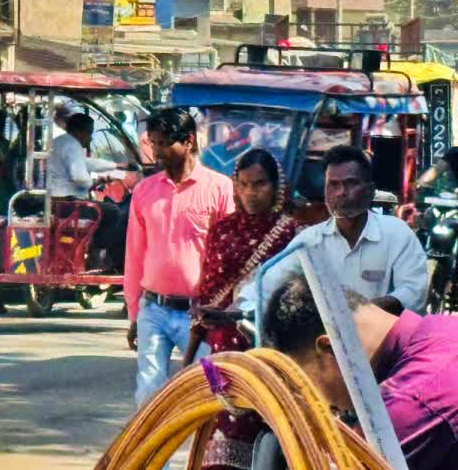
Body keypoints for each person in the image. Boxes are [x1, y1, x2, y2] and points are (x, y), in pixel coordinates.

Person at [180, 148, 301, 470]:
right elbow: (208, 298)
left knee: (273, 433)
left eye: (259, 184)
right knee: (224, 428)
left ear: (276, 186)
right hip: (223, 352)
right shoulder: (222, 230)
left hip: (272, 351)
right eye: (244, 184)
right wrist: (189, 358)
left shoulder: (292, 233)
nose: (251, 193)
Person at [265, 274, 458, 468]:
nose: (328, 406)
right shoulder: (443, 327)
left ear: (331, 348)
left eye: (308, 385)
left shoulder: (408, 406)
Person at [236, 145, 430, 318]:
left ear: (370, 191)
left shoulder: (396, 233)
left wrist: (366, 312)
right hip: (329, 342)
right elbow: (269, 282)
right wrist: (238, 309)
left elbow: (414, 292)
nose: (341, 192)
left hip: (388, 340)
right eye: (333, 184)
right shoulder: (309, 241)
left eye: (351, 183)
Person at [124, 107, 234, 407]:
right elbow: (134, 254)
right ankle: (153, 442)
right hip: (153, 311)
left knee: (212, 391)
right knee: (149, 394)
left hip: (201, 315)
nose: (157, 152)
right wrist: (134, 314)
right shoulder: (144, 191)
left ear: (188, 141)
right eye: (154, 143)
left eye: (164, 144)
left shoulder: (220, 189)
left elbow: (230, 258)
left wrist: (220, 310)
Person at [47, 112, 129, 270]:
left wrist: (116, 166)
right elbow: (80, 178)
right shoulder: (73, 145)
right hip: (69, 205)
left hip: (55, 203)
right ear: (79, 132)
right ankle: (97, 258)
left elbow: (86, 163)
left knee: (104, 209)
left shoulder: (60, 142)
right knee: (113, 212)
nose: (90, 139)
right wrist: (96, 182)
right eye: (89, 134)